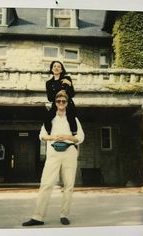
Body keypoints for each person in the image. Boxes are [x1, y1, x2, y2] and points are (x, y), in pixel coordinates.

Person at [22, 90, 85, 226]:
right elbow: (42, 135)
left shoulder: (73, 119)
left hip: (69, 152)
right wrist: (54, 137)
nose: (61, 103)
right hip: (53, 152)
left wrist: (67, 137)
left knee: (68, 185)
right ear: (55, 103)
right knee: (46, 184)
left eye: (64, 101)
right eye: (58, 101)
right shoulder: (49, 118)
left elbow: (80, 137)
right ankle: (38, 217)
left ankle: (64, 214)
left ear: (67, 103)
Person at [44, 61, 77, 136]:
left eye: (59, 66)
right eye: (54, 66)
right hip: (56, 104)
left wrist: (70, 84)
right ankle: (50, 133)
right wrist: (59, 94)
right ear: (52, 69)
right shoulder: (48, 83)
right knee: (47, 117)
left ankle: (74, 134)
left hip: (67, 103)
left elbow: (72, 94)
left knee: (71, 118)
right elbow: (49, 98)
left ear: (61, 70)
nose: (56, 68)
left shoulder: (67, 78)